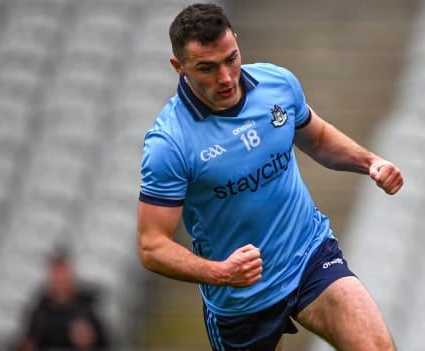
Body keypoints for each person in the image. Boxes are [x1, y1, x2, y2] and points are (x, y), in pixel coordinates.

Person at [137, 4, 403, 350]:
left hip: (308, 255)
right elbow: (151, 245)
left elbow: (318, 139)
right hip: (240, 298)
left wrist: (370, 162)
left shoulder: (276, 85)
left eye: (231, 59)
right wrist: (221, 273)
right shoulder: (169, 144)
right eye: (207, 68)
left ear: (237, 44)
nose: (226, 77)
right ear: (179, 67)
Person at [18, 251, 109, 351]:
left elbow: (104, 340)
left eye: (63, 274)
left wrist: (90, 338)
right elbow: (28, 341)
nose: (60, 280)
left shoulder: (86, 306)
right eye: (57, 275)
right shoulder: (40, 309)